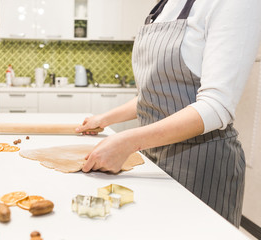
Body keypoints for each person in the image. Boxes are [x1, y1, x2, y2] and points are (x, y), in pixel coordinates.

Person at [75, 0, 261, 227]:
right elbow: (157, 94)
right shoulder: (163, 7)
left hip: (202, 166)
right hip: (155, 158)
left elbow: (216, 105)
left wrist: (129, 141)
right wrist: (104, 119)